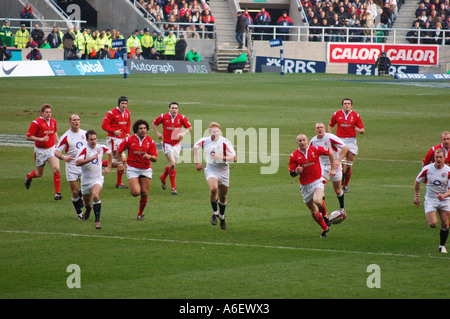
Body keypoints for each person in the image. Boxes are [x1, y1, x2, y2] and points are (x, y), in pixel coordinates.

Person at [289, 134, 336, 238]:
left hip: (317, 181)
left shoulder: (315, 149)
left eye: (303, 140)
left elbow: (330, 152)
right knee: (314, 211)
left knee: (318, 200)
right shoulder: (294, 155)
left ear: (307, 141)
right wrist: (296, 171)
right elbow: (291, 173)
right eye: (299, 141)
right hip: (305, 186)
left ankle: (325, 215)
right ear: (297, 143)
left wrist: (333, 168)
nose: (302, 142)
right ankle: (324, 228)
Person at [193, 122, 237, 230]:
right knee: (213, 189)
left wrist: (219, 157)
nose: (216, 133)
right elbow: (195, 147)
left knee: (222, 196)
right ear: (210, 132)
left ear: (220, 131)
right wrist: (197, 162)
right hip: (211, 169)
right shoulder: (205, 141)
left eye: (218, 131)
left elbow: (234, 158)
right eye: (213, 131)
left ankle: (222, 216)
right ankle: (214, 212)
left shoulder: (225, 142)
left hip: (223, 170)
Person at [117, 120, 158, 221]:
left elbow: (155, 158)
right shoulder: (129, 140)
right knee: (135, 193)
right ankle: (136, 183)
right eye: (141, 128)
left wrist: (149, 156)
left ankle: (140, 213)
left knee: (144, 193)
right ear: (136, 130)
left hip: (145, 169)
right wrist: (120, 164)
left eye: (144, 128)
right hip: (133, 168)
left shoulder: (150, 141)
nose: (143, 130)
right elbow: (119, 151)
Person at [414, 148, 450, 253]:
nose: (438, 159)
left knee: (445, 224)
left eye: (440, 157)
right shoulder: (427, 169)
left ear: (444, 158)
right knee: (433, 224)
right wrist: (417, 196)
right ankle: (430, 216)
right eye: (436, 157)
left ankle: (442, 246)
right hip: (431, 199)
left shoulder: (448, 171)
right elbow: (417, 181)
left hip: (444, 199)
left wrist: (444, 195)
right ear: (434, 158)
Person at [152, 102, 192, 195]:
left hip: (177, 144)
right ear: (169, 109)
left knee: (171, 165)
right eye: (172, 108)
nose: (174, 109)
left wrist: (183, 133)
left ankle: (163, 177)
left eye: (176, 108)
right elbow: (154, 124)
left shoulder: (181, 118)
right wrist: (158, 133)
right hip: (167, 144)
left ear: (178, 109)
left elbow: (189, 127)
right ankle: (173, 187)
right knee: (172, 164)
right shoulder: (163, 117)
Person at [75, 130, 112, 229]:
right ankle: (88, 208)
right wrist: (90, 159)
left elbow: (110, 153)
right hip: (86, 181)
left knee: (95, 195)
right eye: (91, 139)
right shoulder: (84, 149)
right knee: (86, 202)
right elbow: (77, 162)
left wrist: (109, 166)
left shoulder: (101, 147)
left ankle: (97, 221)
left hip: (97, 179)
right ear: (87, 140)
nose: (93, 141)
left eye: (95, 139)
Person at [25, 104, 62, 201]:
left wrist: (58, 141)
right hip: (40, 151)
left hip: (51, 149)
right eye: (46, 112)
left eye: (50, 112)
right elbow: (28, 137)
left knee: (56, 168)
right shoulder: (36, 123)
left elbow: (54, 132)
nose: (48, 114)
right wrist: (41, 139)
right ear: (42, 113)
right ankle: (29, 176)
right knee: (39, 174)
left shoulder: (53, 122)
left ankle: (57, 193)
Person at [310, 122, 349, 215]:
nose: (319, 129)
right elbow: (311, 154)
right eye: (317, 128)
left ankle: (342, 208)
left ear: (324, 129)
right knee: (320, 188)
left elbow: (345, 148)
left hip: (335, 166)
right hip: (322, 166)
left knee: (338, 190)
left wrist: (338, 161)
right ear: (315, 130)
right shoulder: (313, 141)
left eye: (321, 127)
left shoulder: (330, 137)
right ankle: (322, 213)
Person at [328, 98, 364, 193]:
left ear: (351, 106)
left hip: (351, 141)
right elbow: (331, 125)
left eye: (348, 103)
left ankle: (346, 185)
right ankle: (341, 181)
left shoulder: (356, 115)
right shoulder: (336, 114)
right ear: (342, 105)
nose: (346, 105)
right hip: (340, 140)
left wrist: (360, 131)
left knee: (348, 166)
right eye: (345, 103)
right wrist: (331, 136)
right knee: (341, 163)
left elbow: (362, 129)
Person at [55, 114, 87, 220]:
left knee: (87, 189)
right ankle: (79, 213)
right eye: (74, 120)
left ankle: (81, 197)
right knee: (74, 191)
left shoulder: (85, 134)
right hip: (72, 166)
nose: (76, 122)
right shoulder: (66, 137)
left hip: (83, 166)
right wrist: (64, 157)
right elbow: (56, 152)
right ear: (70, 122)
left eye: (78, 120)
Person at [101, 96, 131, 189]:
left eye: (125, 103)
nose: (124, 105)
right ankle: (119, 183)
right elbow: (104, 125)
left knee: (115, 162)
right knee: (121, 158)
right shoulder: (111, 113)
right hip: (113, 139)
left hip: (122, 139)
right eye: (122, 103)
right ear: (119, 104)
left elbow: (128, 123)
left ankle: (97, 162)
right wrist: (114, 132)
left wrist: (128, 133)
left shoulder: (127, 112)